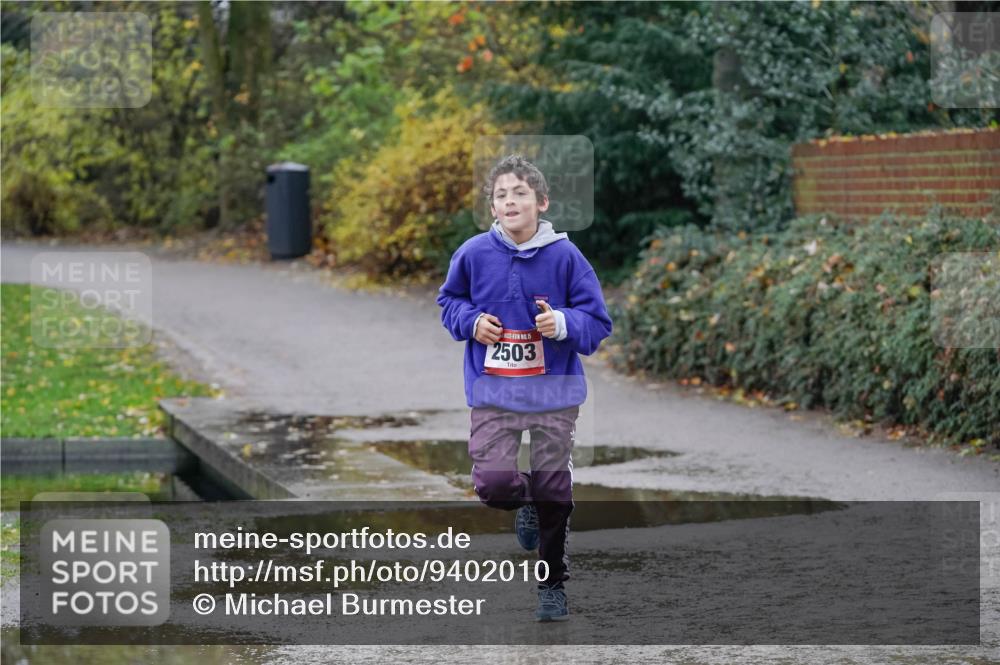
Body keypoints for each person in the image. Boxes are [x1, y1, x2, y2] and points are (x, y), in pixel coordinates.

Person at [436, 154, 613, 621]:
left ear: (541, 202)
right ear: (492, 208)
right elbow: (448, 301)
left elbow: (597, 323)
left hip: (555, 393)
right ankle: (523, 500)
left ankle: (552, 583)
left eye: (519, 193)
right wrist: (471, 322)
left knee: (555, 489)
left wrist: (562, 323)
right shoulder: (473, 254)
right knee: (494, 485)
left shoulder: (567, 257)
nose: (510, 201)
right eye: (501, 195)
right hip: (494, 392)